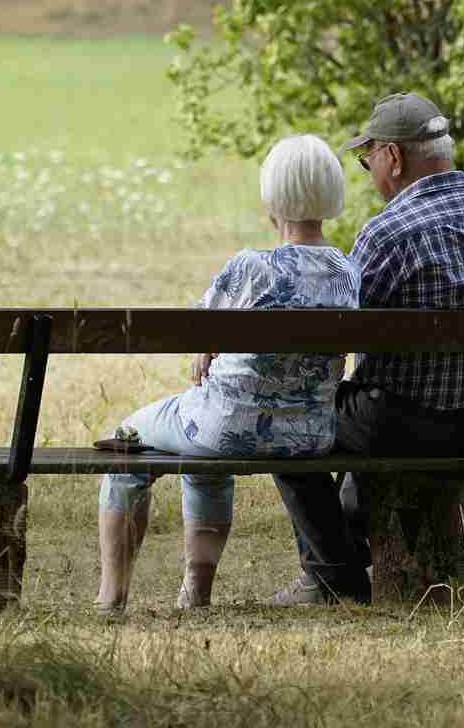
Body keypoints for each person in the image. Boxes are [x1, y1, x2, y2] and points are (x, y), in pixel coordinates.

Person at [265, 92, 464, 606]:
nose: (369, 173)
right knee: (366, 410)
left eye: (368, 161)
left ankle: (334, 578)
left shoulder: (388, 232)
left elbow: (344, 333)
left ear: (393, 156)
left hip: (399, 423)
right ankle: (340, 560)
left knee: (288, 421)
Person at [95, 134, 361, 615]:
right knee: (203, 445)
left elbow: (197, 330)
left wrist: (207, 348)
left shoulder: (251, 267)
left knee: (127, 441)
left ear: (272, 198)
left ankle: (111, 597)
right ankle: (195, 590)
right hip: (309, 437)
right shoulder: (348, 272)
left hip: (226, 427)